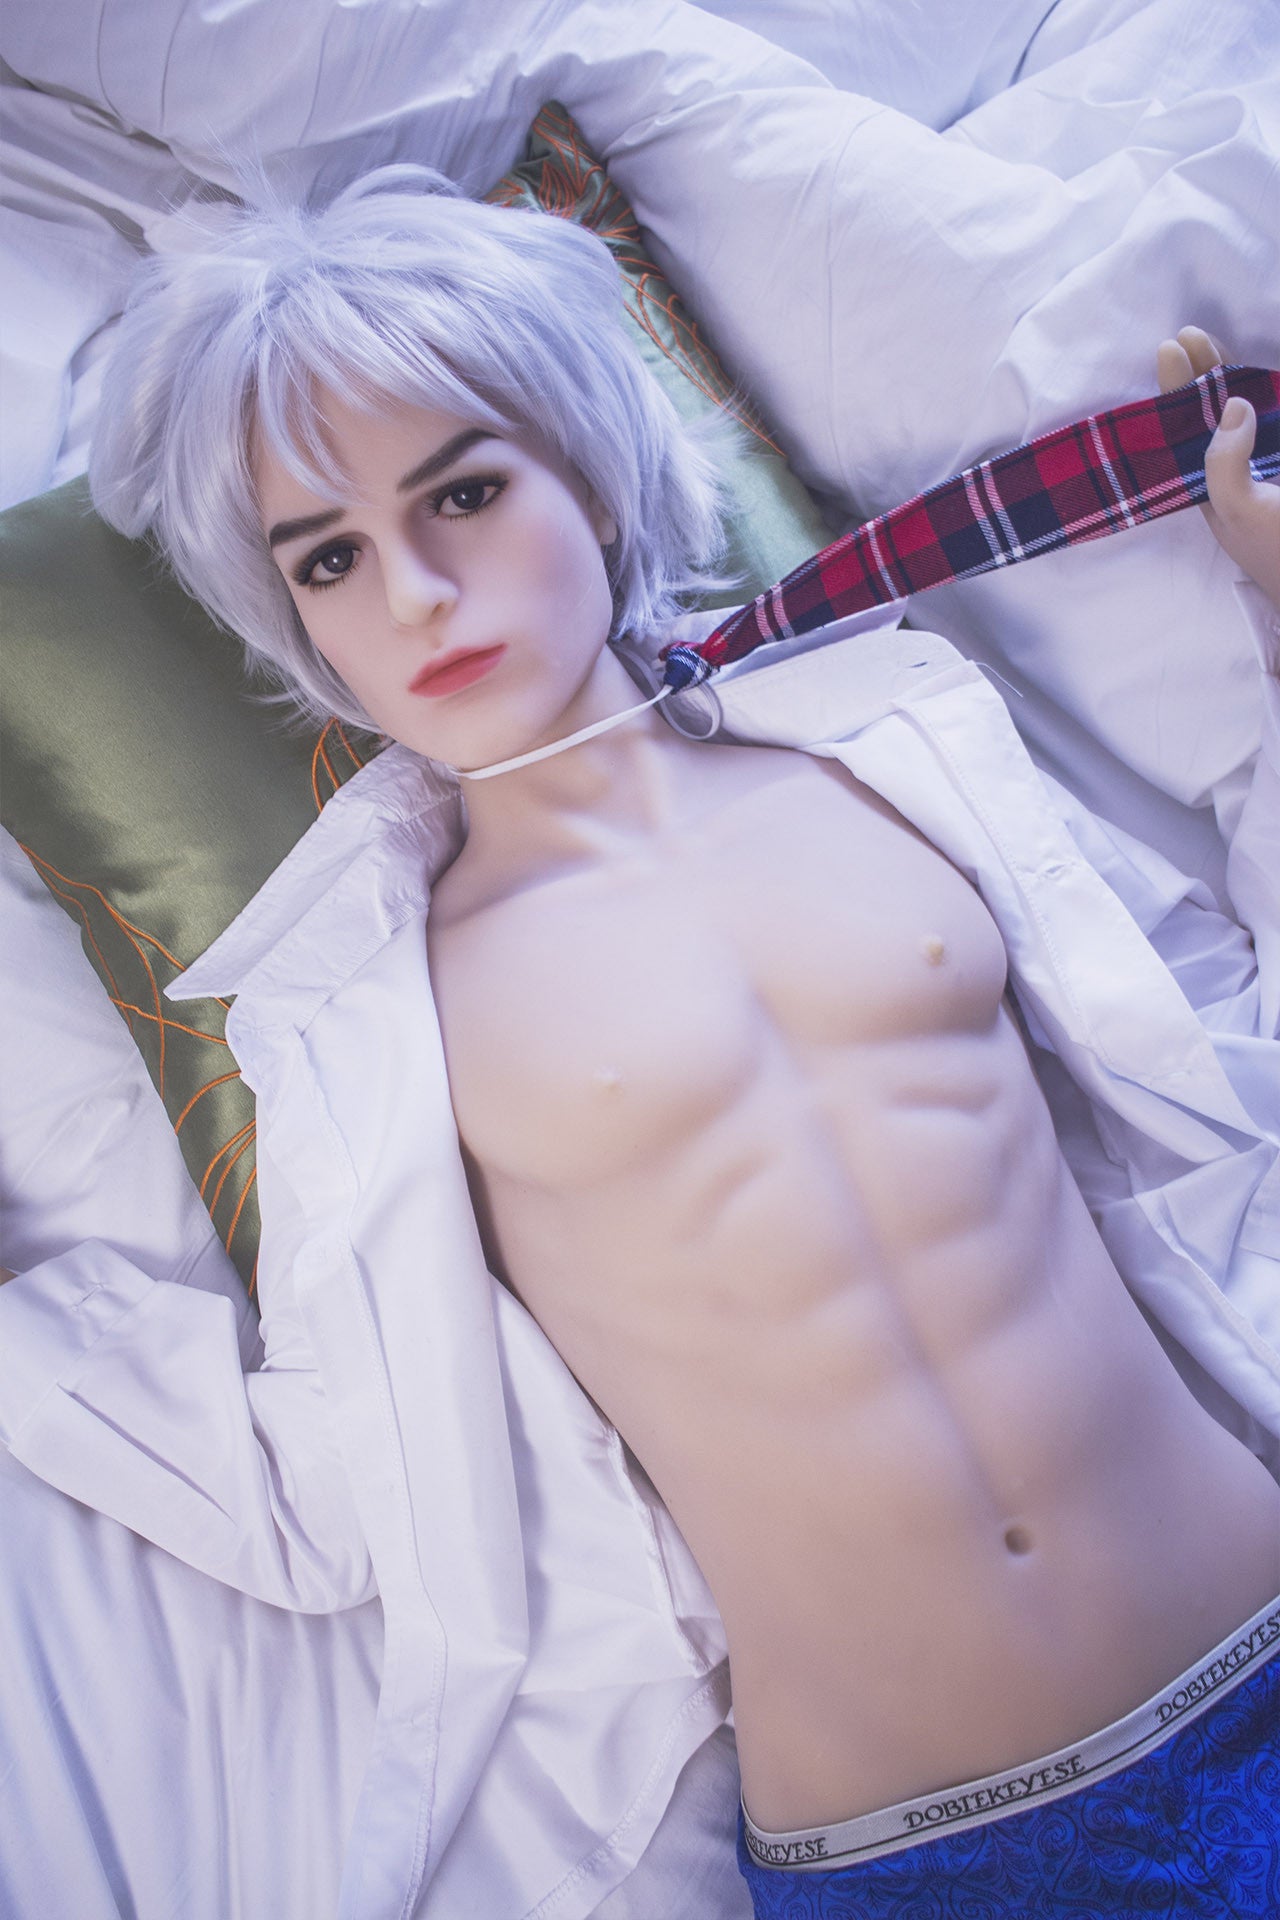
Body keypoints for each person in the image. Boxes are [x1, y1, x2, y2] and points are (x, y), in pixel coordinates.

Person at [1, 170, 1278, 1919]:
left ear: (592, 480)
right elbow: (337, 1483)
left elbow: (1222, 1046)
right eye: (330, 557)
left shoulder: (901, 752)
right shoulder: (371, 1022)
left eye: (463, 490)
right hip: (938, 1857)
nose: (416, 591)